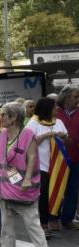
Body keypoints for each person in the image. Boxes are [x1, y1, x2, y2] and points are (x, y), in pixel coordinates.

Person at [0, 102, 54, 247]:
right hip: (4, 188)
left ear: (14, 117)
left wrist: (27, 179)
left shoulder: (28, 134)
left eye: (3, 115)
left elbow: (32, 157)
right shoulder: (3, 134)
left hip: (24, 189)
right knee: (6, 226)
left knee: (32, 224)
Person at [24, 96, 69, 235]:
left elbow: (68, 141)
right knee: (44, 195)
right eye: (54, 106)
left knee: (59, 191)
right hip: (41, 165)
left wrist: (63, 136)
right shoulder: (33, 123)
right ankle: (43, 224)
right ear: (47, 109)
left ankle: (54, 218)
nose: (57, 108)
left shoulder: (59, 122)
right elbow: (27, 144)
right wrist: (46, 135)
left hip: (58, 164)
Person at [55, 84, 79, 229]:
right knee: (56, 187)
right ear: (66, 97)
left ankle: (68, 219)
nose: (78, 100)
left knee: (72, 189)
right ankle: (52, 218)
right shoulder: (56, 112)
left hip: (76, 157)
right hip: (56, 158)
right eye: (75, 96)